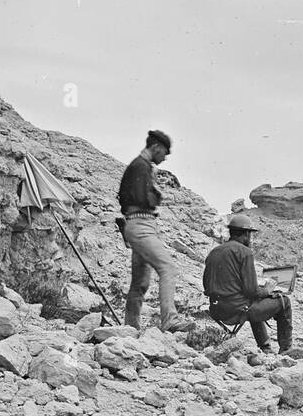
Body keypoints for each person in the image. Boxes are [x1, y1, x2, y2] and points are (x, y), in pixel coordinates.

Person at [117, 129, 190, 332]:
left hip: (137, 225)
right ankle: (170, 319)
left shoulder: (139, 166)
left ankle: (130, 328)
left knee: (140, 283)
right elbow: (144, 200)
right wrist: (155, 193)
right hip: (142, 226)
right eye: (164, 153)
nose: (165, 158)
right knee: (168, 268)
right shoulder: (141, 167)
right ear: (156, 147)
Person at [202, 212, 292, 354]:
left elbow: (207, 285)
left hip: (217, 310)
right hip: (237, 311)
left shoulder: (214, 252)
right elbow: (252, 291)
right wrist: (267, 290)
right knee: (284, 301)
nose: (250, 238)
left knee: (251, 301)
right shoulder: (245, 252)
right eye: (249, 235)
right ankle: (286, 350)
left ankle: (266, 348)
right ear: (245, 234)